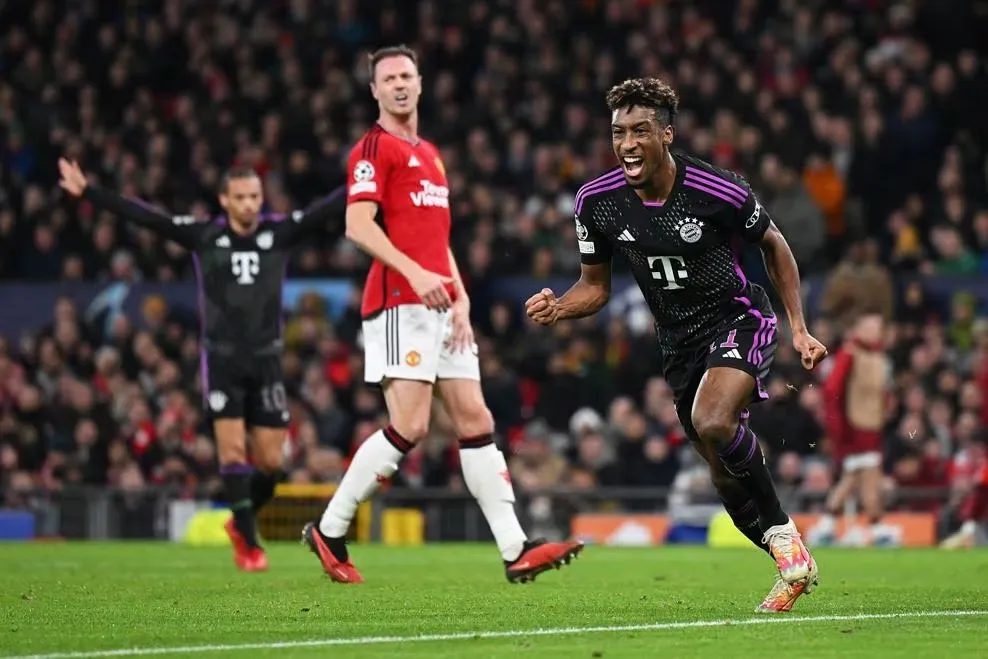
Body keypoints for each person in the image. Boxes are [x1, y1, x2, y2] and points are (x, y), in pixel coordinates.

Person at [524, 78, 828, 612]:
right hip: (679, 347)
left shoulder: (718, 190)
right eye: (619, 133)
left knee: (714, 420)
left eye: (641, 131)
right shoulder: (596, 203)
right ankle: (791, 562)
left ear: (666, 134)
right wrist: (559, 307)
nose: (627, 144)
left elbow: (774, 246)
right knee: (719, 470)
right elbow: (594, 288)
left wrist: (798, 326)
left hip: (739, 316)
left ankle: (783, 531)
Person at [301, 45, 583, 584]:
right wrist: (416, 275)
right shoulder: (372, 149)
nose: (400, 84)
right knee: (411, 424)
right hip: (397, 302)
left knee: (476, 421)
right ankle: (330, 528)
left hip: (440, 303)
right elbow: (358, 226)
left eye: (407, 75)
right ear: (375, 91)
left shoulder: (430, 153)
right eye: (389, 78)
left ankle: (516, 548)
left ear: (421, 83)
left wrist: (460, 294)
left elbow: (437, 238)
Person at [58, 159, 344, 572]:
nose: (249, 205)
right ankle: (249, 542)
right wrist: (90, 192)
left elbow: (326, 209)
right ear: (224, 199)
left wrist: (376, 181)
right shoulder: (206, 235)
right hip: (223, 359)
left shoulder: (278, 232)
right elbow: (148, 218)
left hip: (266, 360)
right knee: (231, 452)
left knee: (272, 463)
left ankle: (238, 522)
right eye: (241, 197)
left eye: (255, 197)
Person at [812, 312, 898, 547]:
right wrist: (837, 426)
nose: (875, 332)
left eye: (878, 328)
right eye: (870, 327)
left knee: (856, 475)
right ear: (859, 329)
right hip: (854, 425)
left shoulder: (877, 355)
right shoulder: (851, 354)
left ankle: (828, 524)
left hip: (871, 423)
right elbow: (832, 390)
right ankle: (876, 526)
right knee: (868, 473)